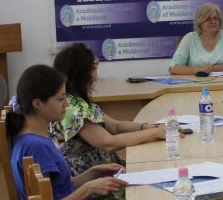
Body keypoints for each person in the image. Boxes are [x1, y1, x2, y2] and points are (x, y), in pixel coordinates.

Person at [7, 64, 134, 200]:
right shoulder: (36, 147)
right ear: (37, 104)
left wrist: (94, 173)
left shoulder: (32, 138)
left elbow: (60, 188)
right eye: (60, 99)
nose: (66, 104)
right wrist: (89, 189)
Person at [52, 43, 167, 177]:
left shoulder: (75, 100)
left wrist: (148, 127)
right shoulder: (73, 107)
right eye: (94, 65)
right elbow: (108, 143)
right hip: (89, 177)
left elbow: (116, 126)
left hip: (99, 169)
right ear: (86, 72)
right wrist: (154, 133)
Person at [169, 2, 223, 75]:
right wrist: (200, 70)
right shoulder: (189, 38)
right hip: (195, 81)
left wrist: (213, 68)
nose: (213, 22)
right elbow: (173, 68)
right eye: (208, 19)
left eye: (216, 18)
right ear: (200, 21)